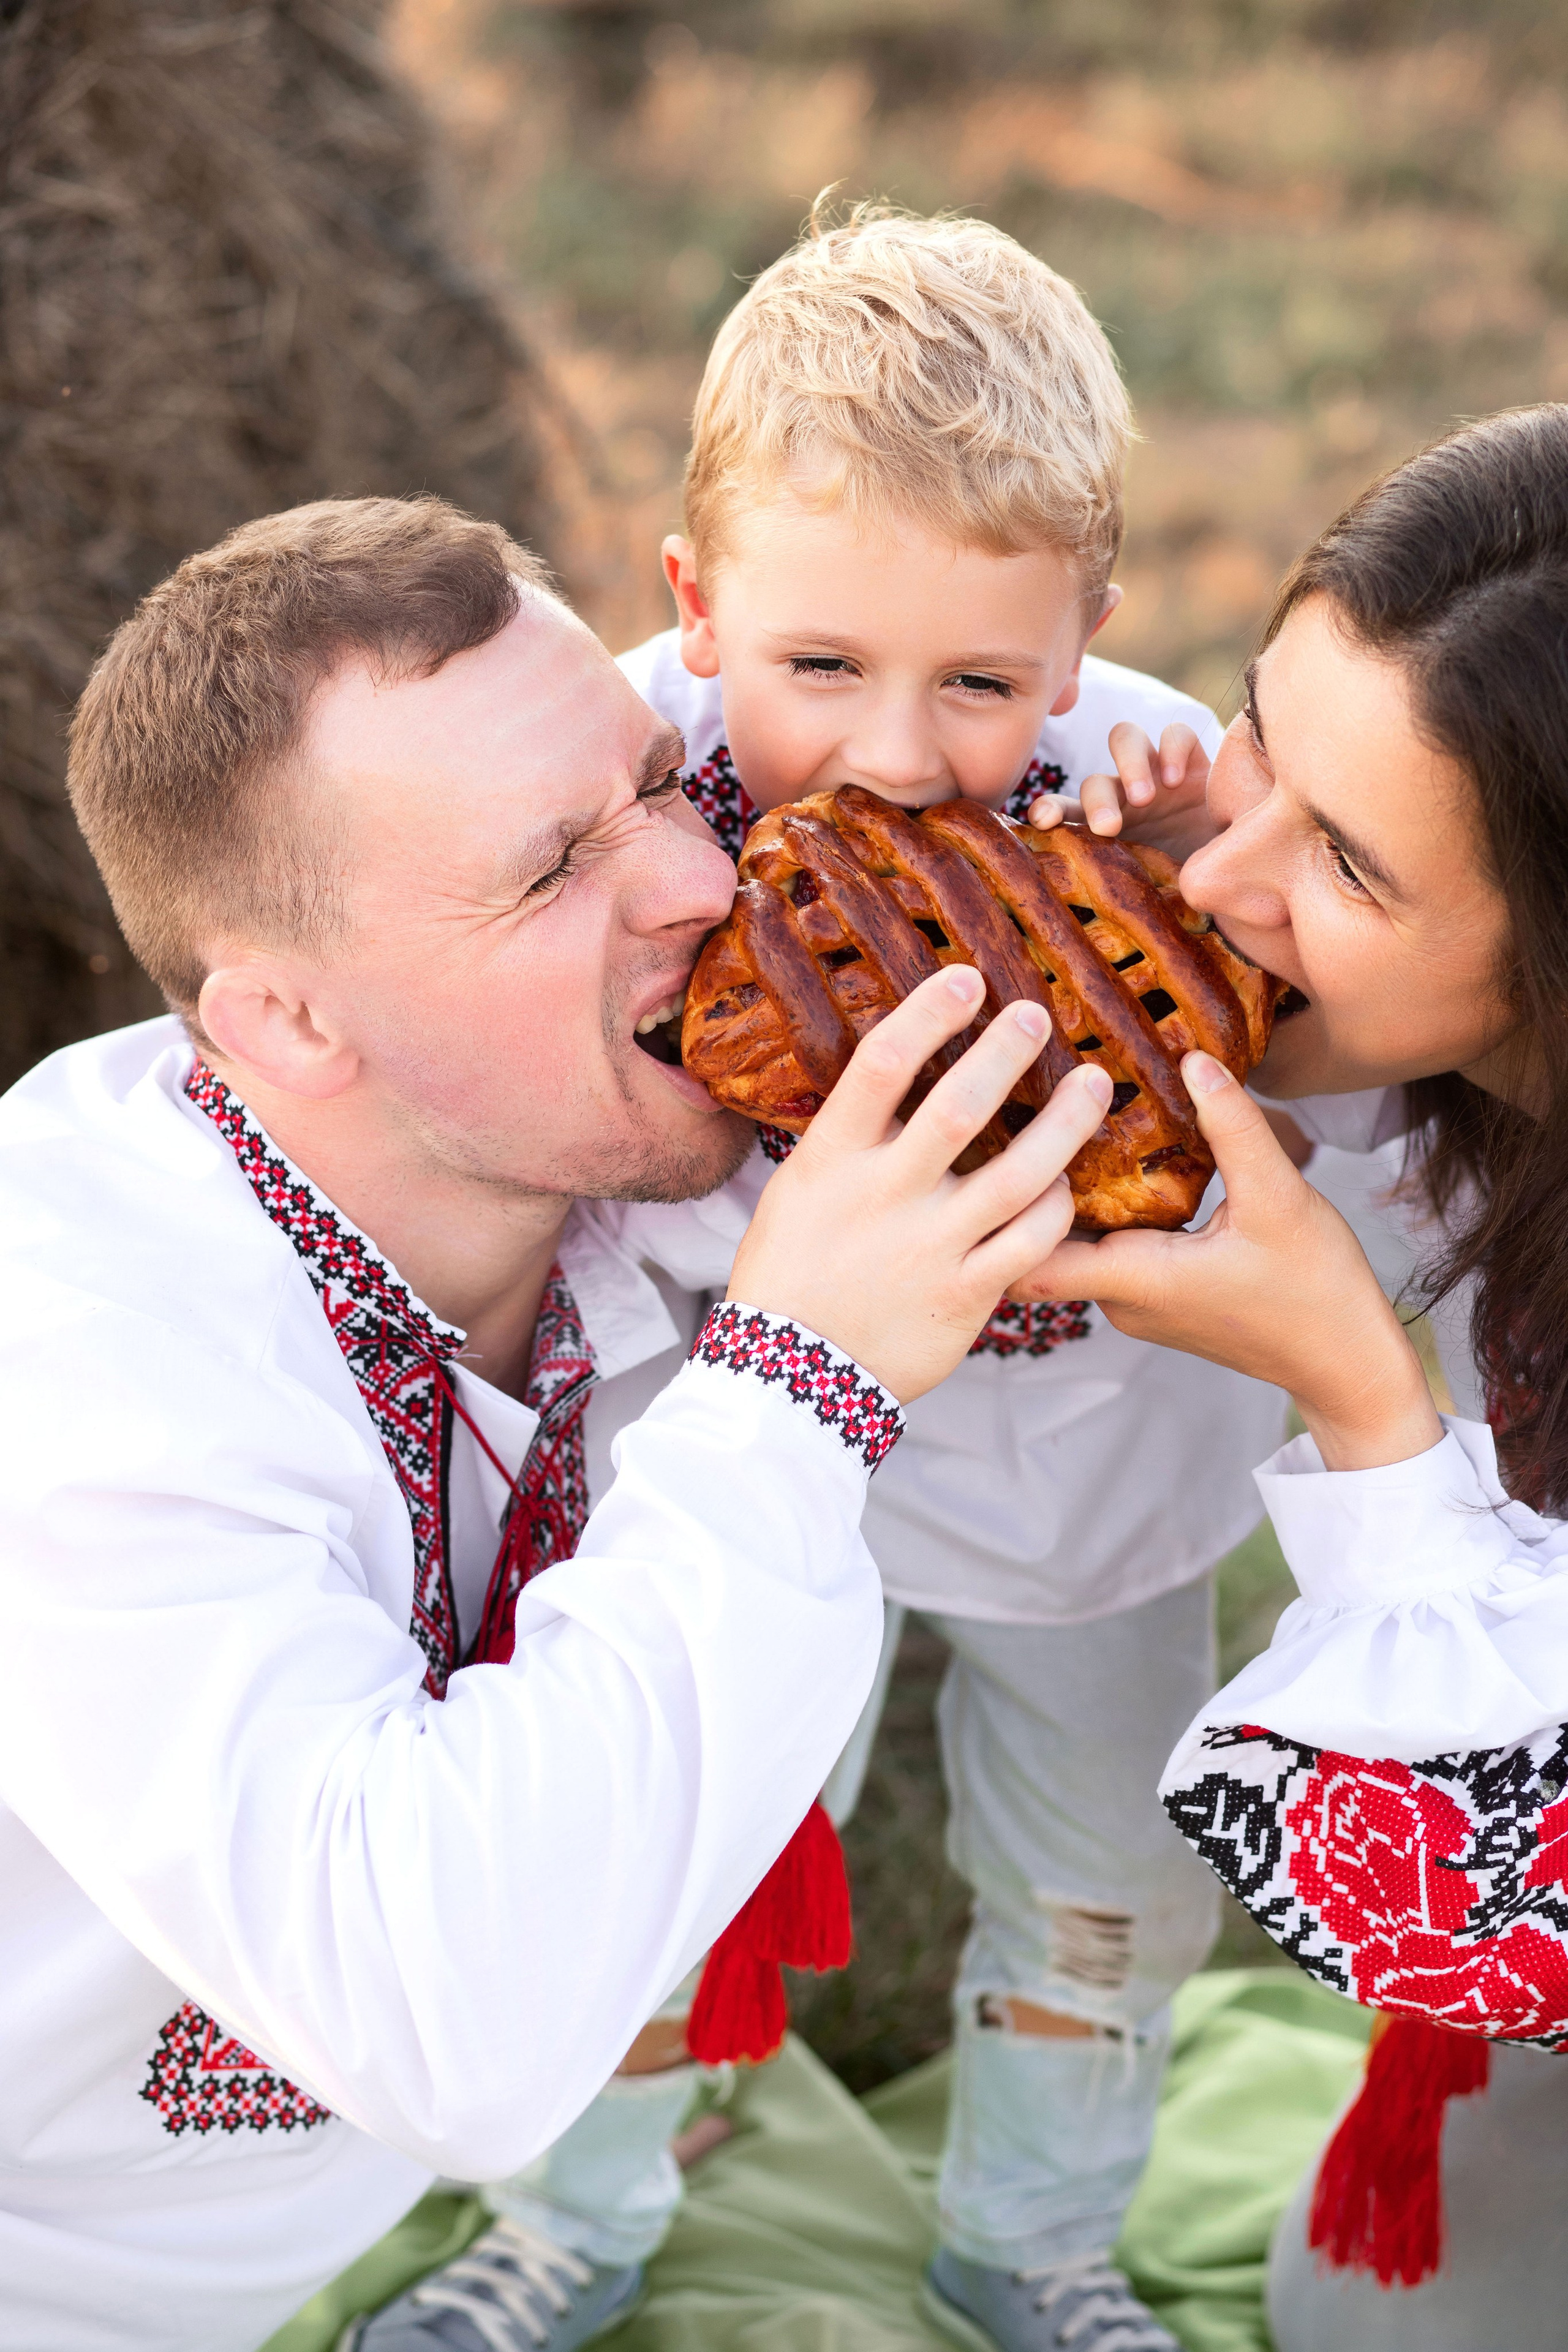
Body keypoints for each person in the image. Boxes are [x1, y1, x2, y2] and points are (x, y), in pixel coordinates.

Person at [0, 494, 1117, 2352]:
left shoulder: (632, 1184)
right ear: (283, 1021)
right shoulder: (77, 1345)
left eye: (661, 788)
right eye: (548, 874)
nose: (700, 883)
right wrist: (798, 1387)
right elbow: (451, 2027)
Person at [424, 205, 1288, 2352]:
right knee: (651, 1836)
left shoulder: (1150, 803)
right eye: (823, 668)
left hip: (1081, 1452)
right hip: (712, 1417)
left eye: (983, 684)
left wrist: (1201, 905)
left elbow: (1302, 1061)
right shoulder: (599, 796)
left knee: (1104, 1875)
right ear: (698, 604)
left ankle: (1040, 2238)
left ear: (1080, 643)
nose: (901, 751)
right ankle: (576, 2216)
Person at [1017, 403, 1568, 2347]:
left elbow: (1481, 1898)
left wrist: (1363, 1406)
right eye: (1265, 732)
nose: (1222, 872)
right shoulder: (1490, 1094)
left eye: (1341, 856)